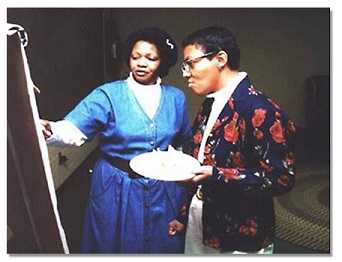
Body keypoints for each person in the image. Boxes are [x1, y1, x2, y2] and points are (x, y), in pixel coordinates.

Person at [41, 27, 191, 253]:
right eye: (135, 56)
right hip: (116, 185)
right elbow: (75, 130)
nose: (142, 63)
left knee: (161, 245)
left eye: (151, 58)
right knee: (112, 244)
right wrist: (50, 130)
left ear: (163, 62)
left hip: (163, 188)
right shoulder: (108, 95)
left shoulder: (176, 98)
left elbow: (182, 143)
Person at [168, 26, 296, 254]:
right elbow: (200, 163)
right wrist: (183, 215)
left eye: (190, 63)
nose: (185, 73)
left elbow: (281, 179)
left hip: (239, 239)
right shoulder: (209, 104)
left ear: (220, 59)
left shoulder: (261, 110)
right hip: (201, 225)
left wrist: (216, 175)